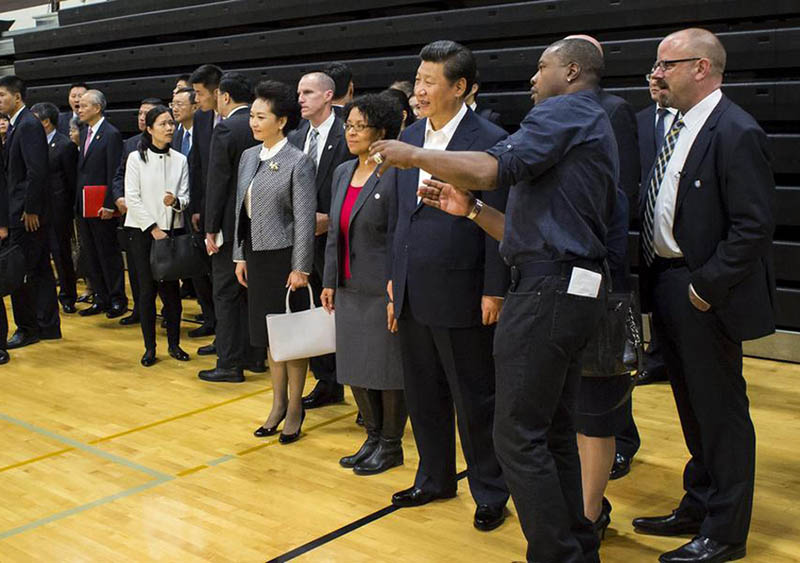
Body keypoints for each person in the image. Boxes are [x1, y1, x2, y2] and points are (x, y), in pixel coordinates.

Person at [371, 36, 618, 563]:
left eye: (541, 66)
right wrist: (472, 212)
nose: (531, 77)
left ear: (572, 71)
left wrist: (414, 155)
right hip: (563, 283)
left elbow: (490, 170)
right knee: (550, 432)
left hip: (547, 291)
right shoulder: (583, 120)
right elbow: (529, 232)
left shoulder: (562, 114)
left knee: (515, 437)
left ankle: (557, 554)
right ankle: (576, 545)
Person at [631, 28, 774, 563]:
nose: (657, 72)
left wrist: (703, 286)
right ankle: (699, 504)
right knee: (690, 407)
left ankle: (726, 532)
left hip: (703, 290)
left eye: (668, 63)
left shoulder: (735, 129)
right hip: (666, 282)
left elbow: (754, 227)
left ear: (702, 68)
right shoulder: (679, 125)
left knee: (721, 415)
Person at [380, 40, 511, 533]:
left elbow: (502, 220)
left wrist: (494, 288)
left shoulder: (490, 140)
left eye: (430, 82)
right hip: (412, 289)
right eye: (417, 80)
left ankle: (490, 490)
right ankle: (434, 477)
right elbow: (398, 219)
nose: (419, 90)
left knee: (475, 399)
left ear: (460, 87)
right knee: (423, 394)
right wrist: (394, 280)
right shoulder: (409, 135)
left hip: (464, 290)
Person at [320, 93, 407, 474]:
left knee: (387, 371)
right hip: (347, 286)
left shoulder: (397, 173)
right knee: (354, 366)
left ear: (382, 132)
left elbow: (401, 236)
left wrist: (397, 288)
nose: (351, 133)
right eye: (349, 126)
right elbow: (335, 233)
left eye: (360, 127)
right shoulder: (342, 172)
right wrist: (328, 280)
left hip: (381, 289)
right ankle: (371, 437)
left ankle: (391, 444)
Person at [233, 80, 316, 442]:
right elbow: (241, 210)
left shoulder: (298, 161)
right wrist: (239, 254)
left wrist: (301, 267)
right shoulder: (249, 156)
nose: (253, 122)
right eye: (251, 115)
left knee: (291, 339)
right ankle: (277, 404)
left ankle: (295, 408)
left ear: (281, 121)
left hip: (285, 259)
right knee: (271, 338)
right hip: (256, 254)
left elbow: (304, 218)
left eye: (261, 116)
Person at [612, 73, 679, 482]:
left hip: (623, 254)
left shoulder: (612, 112)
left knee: (613, 359)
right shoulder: (636, 119)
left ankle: (621, 442)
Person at [287, 72, 351, 409]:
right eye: (299, 92)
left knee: (345, 315)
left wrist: (333, 217)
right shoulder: (296, 137)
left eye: (308, 92)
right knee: (313, 311)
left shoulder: (347, 133)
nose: (301, 98)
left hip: (341, 237)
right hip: (304, 240)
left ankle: (363, 389)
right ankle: (327, 382)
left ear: (329, 95)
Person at [198, 72, 263, 383]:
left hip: (231, 225)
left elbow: (218, 183)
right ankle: (256, 356)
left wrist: (210, 228)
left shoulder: (226, 128)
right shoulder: (264, 125)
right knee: (253, 292)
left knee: (225, 293)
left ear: (224, 96)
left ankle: (228, 363)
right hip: (262, 224)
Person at [122, 105, 191, 366]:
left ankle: (174, 344)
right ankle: (150, 348)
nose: (169, 128)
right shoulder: (135, 158)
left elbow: (185, 196)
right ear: (149, 129)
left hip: (172, 232)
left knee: (171, 291)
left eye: (171, 123)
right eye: (163, 124)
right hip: (142, 233)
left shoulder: (180, 159)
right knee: (146, 291)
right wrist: (153, 228)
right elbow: (132, 198)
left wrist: (176, 202)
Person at [0, 75, 61, 350]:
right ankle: (46, 326)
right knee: (38, 270)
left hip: (25, 212)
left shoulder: (27, 125)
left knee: (21, 271)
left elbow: (37, 171)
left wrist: (31, 209)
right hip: (22, 208)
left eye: (1, 95)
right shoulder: (17, 125)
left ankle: (28, 328)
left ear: (17, 97)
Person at [75, 89, 126, 319]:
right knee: (91, 254)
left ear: (97, 108)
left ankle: (117, 298)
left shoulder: (111, 133)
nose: (79, 109)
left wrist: (109, 204)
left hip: (102, 206)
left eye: (84, 105)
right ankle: (101, 297)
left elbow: (113, 171)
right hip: (84, 205)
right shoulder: (85, 131)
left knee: (108, 253)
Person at [111, 97, 161, 327]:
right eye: (140, 113)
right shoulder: (130, 143)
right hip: (134, 218)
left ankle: (168, 314)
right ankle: (139, 310)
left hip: (160, 218)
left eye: (147, 114)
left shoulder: (170, 143)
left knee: (163, 271)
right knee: (136, 269)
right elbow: (119, 175)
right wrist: (119, 196)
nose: (142, 117)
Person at [30, 102, 80, 314]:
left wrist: (69, 210)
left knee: (61, 254)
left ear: (46, 122)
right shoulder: (32, 143)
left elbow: (71, 181)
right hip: (36, 210)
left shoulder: (64, 145)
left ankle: (68, 296)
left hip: (58, 210)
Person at [189, 64, 223, 356]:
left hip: (232, 210)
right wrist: (199, 206)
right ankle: (218, 328)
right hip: (207, 207)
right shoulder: (201, 118)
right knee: (212, 275)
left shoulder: (240, 119)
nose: (196, 100)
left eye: (199, 93)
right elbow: (198, 164)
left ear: (216, 92)